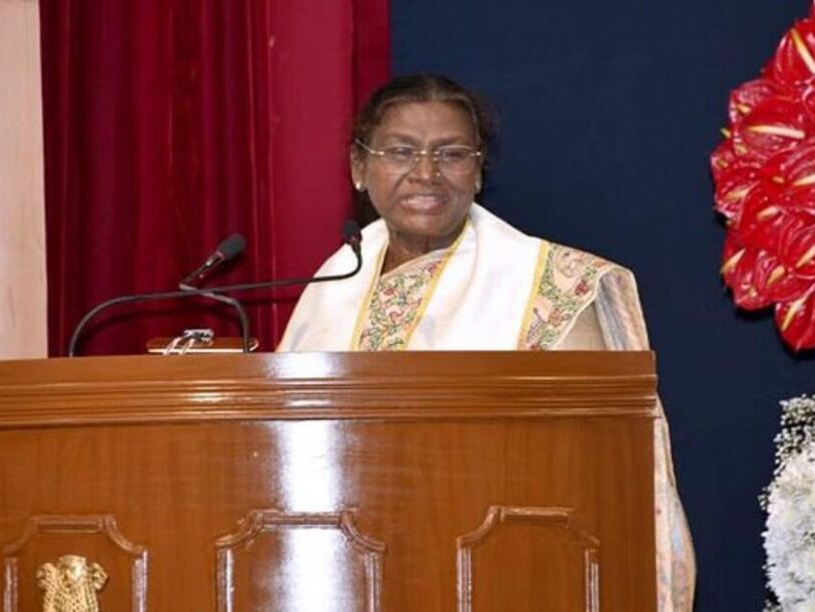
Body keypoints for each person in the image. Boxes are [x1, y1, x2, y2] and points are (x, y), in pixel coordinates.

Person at [278, 74, 695, 610]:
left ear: (477, 172)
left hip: (503, 568)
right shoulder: (334, 284)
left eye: (450, 154)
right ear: (360, 167)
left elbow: (594, 466)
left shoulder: (552, 285)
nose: (425, 173)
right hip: (349, 573)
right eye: (401, 151)